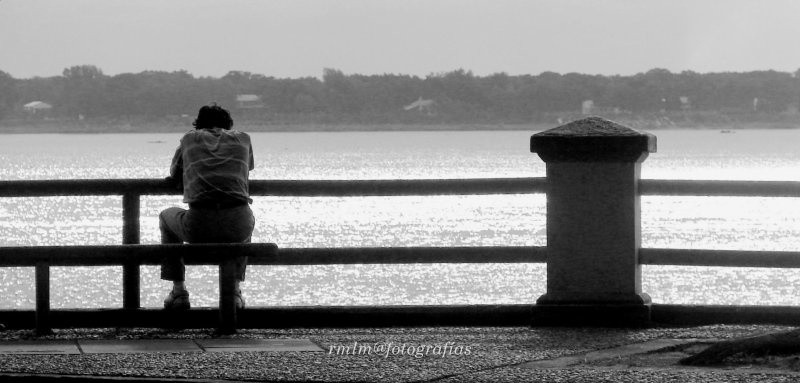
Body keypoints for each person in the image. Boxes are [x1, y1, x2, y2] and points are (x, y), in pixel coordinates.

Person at [159, 103, 255, 310]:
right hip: (238, 222)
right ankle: (235, 292)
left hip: (200, 224)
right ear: (229, 126)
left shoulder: (189, 139)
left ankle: (179, 291)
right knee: (245, 220)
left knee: (165, 216)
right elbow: (247, 169)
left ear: (198, 125)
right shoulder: (243, 139)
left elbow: (175, 175)